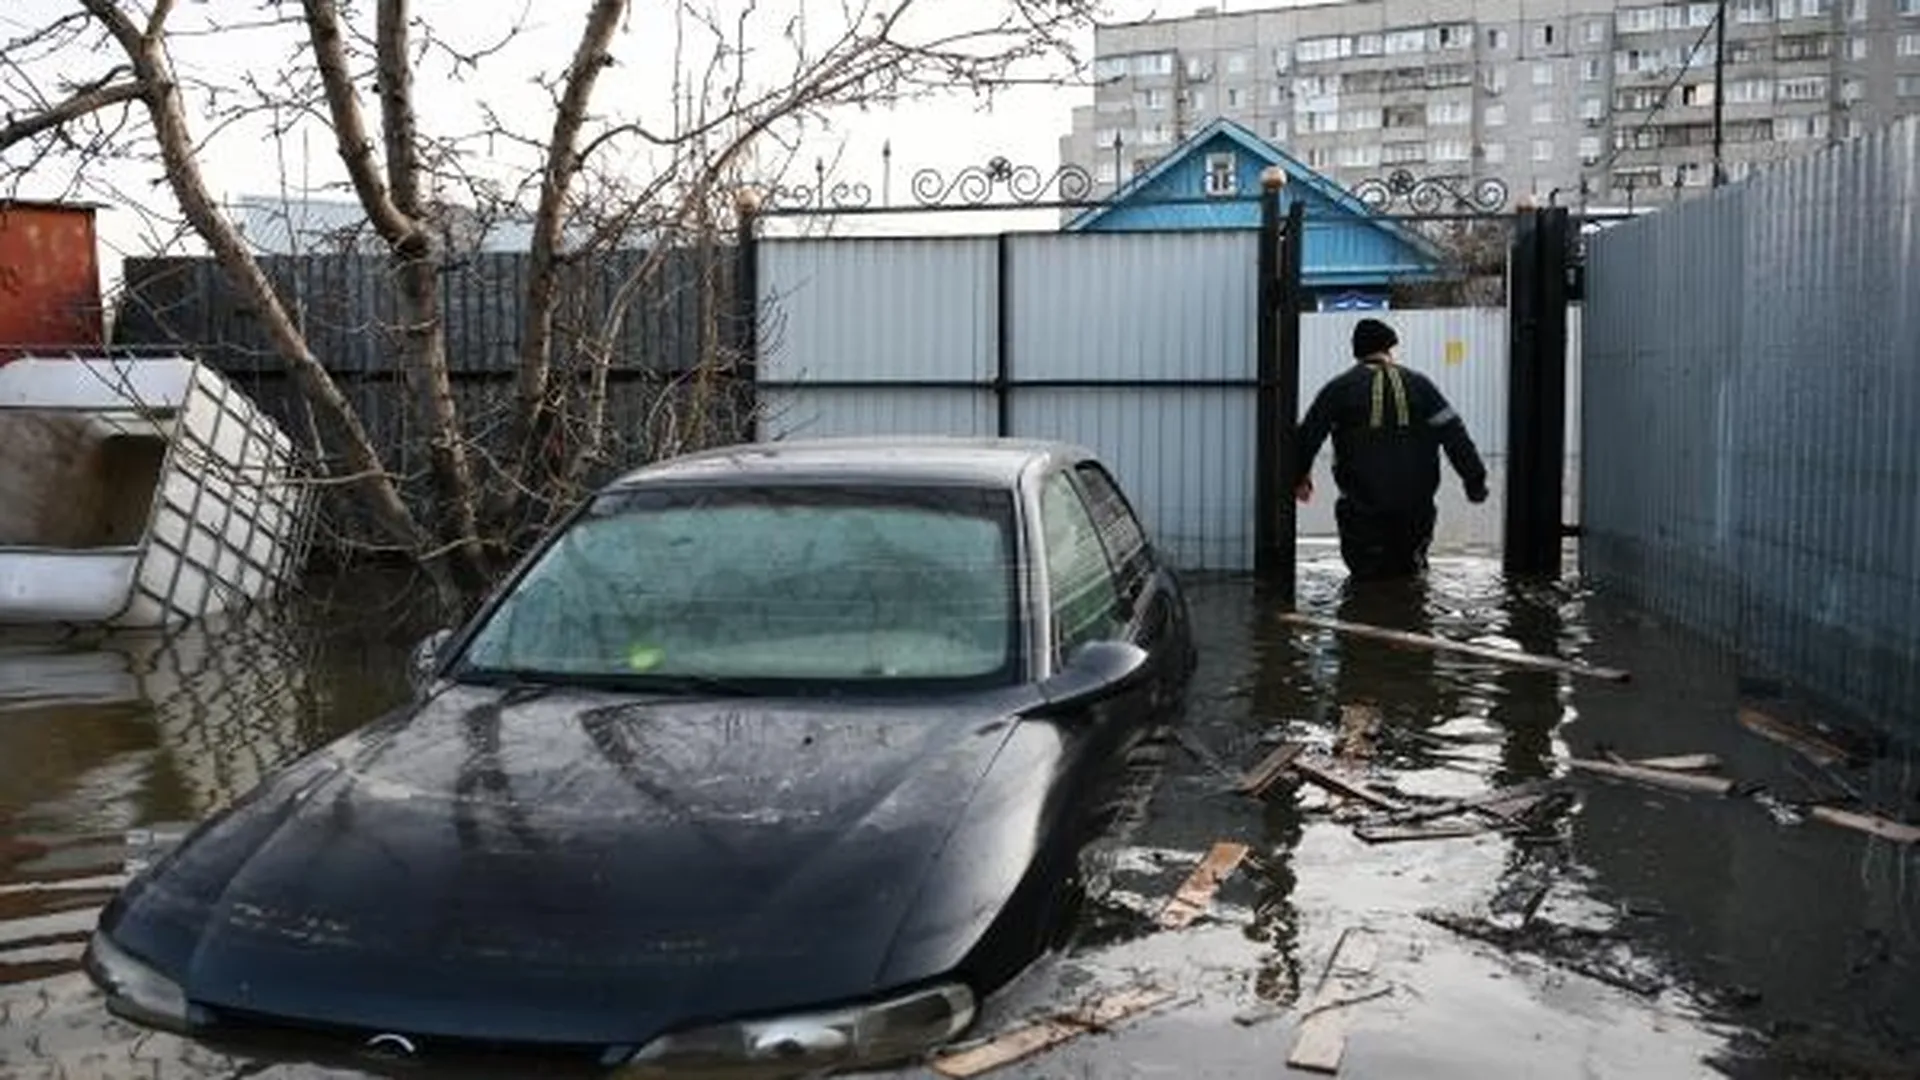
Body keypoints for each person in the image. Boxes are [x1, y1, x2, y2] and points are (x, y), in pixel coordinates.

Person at [1294, 317, 1488, 582]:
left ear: (1357, 351)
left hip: (1362, 511)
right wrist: (1474, 480)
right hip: (1415, 508)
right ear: (1390, 348)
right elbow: (1455, 434)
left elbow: (1309, 434)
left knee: (1365, 584)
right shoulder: (1421, 385)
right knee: (1411, 581)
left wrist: (1298, 476)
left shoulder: (1339, 389)